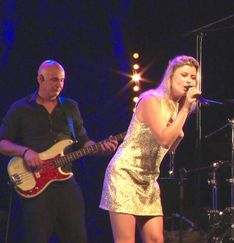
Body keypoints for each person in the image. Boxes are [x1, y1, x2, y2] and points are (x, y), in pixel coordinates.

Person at [0, 59, 119, 243]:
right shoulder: (20, 108)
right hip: (35, 186)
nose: (59, 85)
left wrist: (100, 149)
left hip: (66, 185)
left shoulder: (71, 107)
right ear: (40, 78)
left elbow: (83, 142)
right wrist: (25, 152)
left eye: (62, 80)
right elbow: (2, 143)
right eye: (54, 80)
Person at [99, 55, 201, 243]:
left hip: (148, 180)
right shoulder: (150, 100)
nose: (189, 81)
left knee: (155, 239)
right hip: (125, 175)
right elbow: (163, 139)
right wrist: (185, 109)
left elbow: (169, 148)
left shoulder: (174, 108)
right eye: (184, 75)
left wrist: (178, 133)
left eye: (193, 77)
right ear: (170, 77)